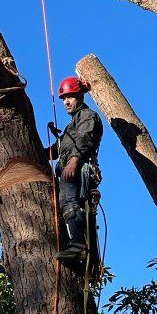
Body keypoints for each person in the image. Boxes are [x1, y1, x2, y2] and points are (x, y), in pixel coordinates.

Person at [47, 76, 103, 262]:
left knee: (69, 200)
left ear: (80, 95)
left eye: (70, 96)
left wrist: (73, 162)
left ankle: (78, 244)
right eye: (63, 98)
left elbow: (84, 139)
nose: (66, 102)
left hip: (77, 170)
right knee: (64, 203)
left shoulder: (88, 116)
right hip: (69, 169)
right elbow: (57, 149)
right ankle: (74, 241)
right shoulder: (71, 126)